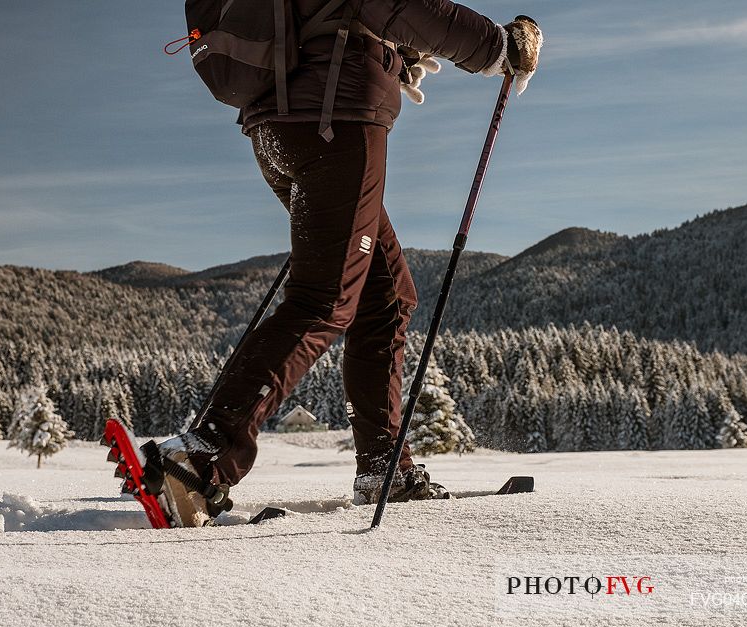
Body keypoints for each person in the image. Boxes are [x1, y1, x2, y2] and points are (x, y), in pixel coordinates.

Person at [158, 1, 543, 527]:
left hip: (278, 129)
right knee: (325, 297)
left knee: (383, 296)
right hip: (333, 122)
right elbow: (398, 5)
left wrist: (387, 55)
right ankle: (201, 457)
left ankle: (384, 467)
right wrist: (498, 47)